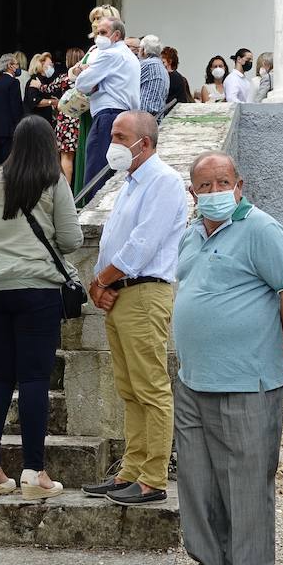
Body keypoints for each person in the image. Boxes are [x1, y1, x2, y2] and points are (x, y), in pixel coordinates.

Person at [163, 151, 283, 565]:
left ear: (239, 185)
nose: (213, 193)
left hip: (247, 379)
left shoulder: (261, 229)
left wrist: (279, 338)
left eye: (221, 182)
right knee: (198, 479)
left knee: (247, 482)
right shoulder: (192, 234)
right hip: (193, 377)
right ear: (192, 193)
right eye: (203, 186)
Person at [0, 114, 82, 502]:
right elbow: (70, 238)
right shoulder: (53, 181)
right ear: (49, 145)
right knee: (33, 379)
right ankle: (34, 472)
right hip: (36, 289)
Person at [83, 111, 188, 507]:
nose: (112, 142)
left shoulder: (162, 181)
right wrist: (101, 284)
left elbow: (141, 246)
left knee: (150, 388)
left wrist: (100, 282)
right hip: (122, 293)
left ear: (143, 143)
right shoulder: (129, 182)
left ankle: (152, 477)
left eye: (119, 135)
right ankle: (131, 470)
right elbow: (114, 241)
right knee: (129, 388)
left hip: (144, 294)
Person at [74, 15, 141, 199]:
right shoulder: (129, 56)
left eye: (103, 32)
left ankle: (91, 210)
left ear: (117, 35)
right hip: (127, 117)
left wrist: (84, 72)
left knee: (96, 169)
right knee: (116, 170)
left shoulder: (110, 54)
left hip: (108, 116)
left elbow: (81, 83)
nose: (98, 37)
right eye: (97, 33)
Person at [0, 53, 24, 168]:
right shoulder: (13, 83)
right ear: (10, 66)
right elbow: (16, 108)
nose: (18, 67)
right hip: (8, 132)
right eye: (17, 64)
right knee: (8, 166)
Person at [54, 47, 84, 184]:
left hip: (66, 120)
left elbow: (48, 88)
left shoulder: (64, 78)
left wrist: (38, 85)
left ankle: (66, 191)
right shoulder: (85, 77)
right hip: (81, 119)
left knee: (66, 158)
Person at [138, 35, 169, 116]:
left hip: (144, 117)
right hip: (157, 116)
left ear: (143, 50)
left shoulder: (146, 65)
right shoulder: (163, 68)